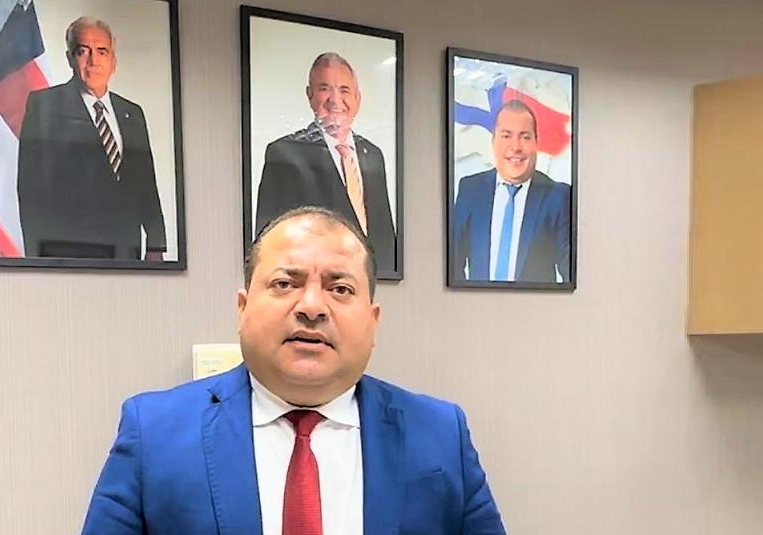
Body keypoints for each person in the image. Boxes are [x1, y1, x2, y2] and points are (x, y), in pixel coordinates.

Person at [81, 206, 505, 534]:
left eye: (340, 288)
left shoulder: (441, 434)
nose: (312, 306)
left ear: (373, 321)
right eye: (285, 284)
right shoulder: (154, 433)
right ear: (243, 309)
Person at [17, 17, 166, 260]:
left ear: (113, 61)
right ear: (69, 58)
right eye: (83, 51)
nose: (93, 61)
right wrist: (37, 258)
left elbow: (146, 183)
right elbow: (30, 189)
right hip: (69, 254)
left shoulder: (132, 113)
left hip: (125, 252)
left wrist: (156, 245)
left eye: (102, 51)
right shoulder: (44, 106)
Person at [255, 53, 397, 276]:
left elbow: (385, 233)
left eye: (344, 90)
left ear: (358, 98)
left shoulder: (373, 155)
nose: (335, 99)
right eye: (324, 88)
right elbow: (268, 241)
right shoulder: (285, 153)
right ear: (310, 95)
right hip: (316, 282)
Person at [451, 99, 571, 283]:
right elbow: (452, 265)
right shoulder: (470, 190)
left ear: (536, 143)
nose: (516, 147)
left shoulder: (558, 196)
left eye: (525, 137)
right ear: (493, 142)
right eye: (506, 136)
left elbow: (571, 274)